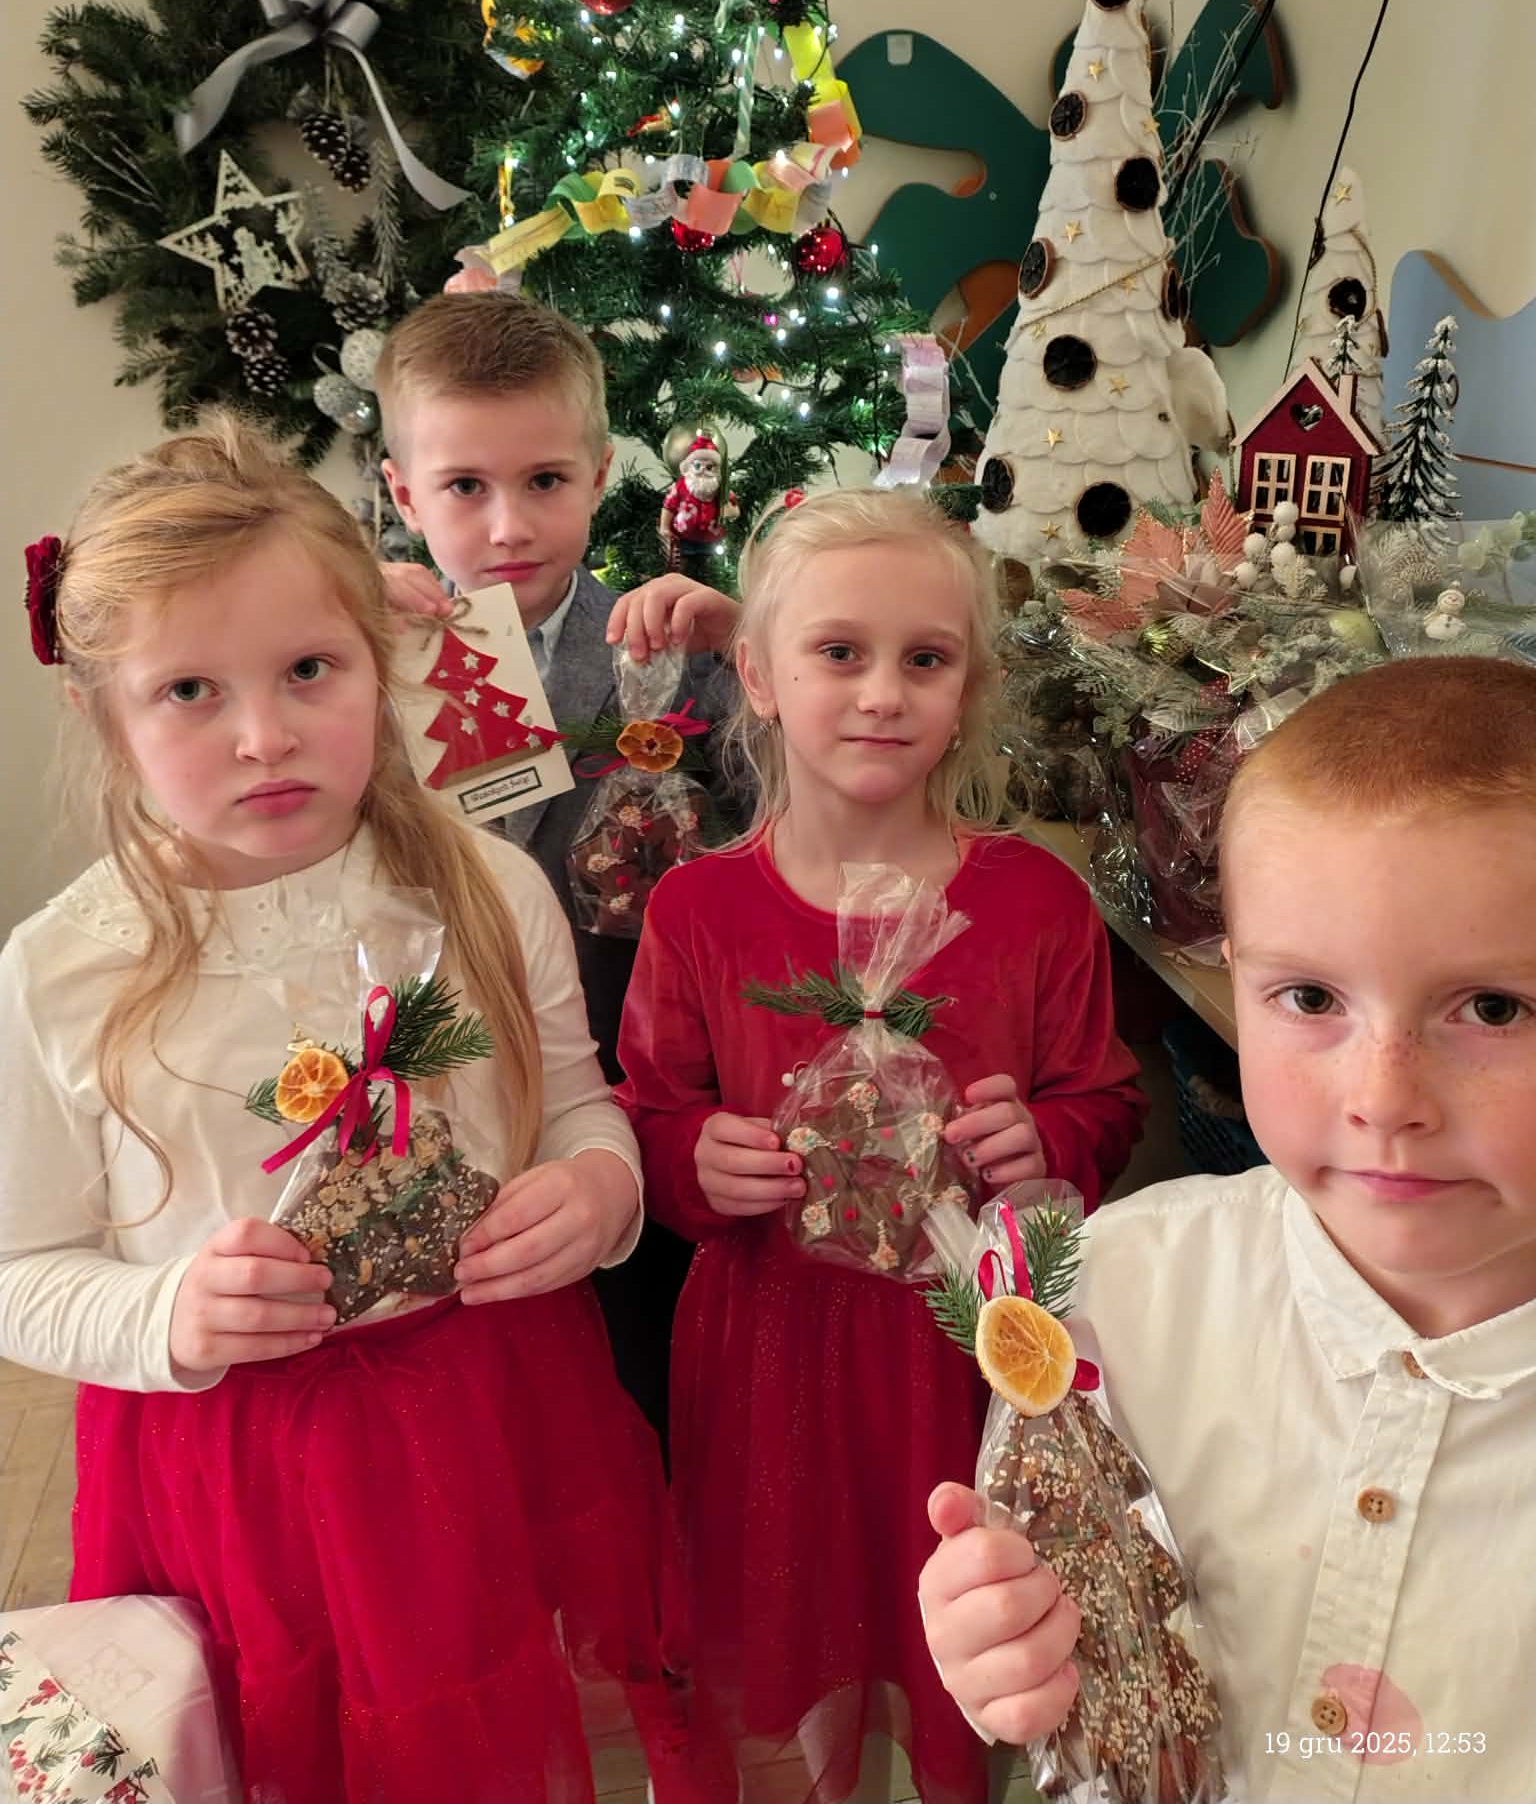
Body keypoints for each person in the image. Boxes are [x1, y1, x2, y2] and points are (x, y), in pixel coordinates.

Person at [0, 419, 698, 1804]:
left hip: (487, 1408)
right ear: (104, 713)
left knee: (487, 1719)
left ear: (379, 667)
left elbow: (578, 1106)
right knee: (286, 1741)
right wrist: (164, 1313)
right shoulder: (61, 972)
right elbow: (19, 1270)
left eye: (309, 670)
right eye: (188, 690)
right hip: (240, 1466)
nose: (264, 735)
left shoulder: (488, 888)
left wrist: (601, 1189)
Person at [918, 654, 1536, 1803]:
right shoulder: (1121, 1292)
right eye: (1311, 998)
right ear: (1237, 979)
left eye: (1493, 1006)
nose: (1384, 1096)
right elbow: (1076, 1627)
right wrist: (1004, 1644)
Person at [617, 487, 1146, 1804]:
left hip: (967, 1353)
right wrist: (695, 1162)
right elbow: (647, 1111)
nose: (881, 693)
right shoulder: (698, 909)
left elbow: (1104, 1099)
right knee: (787, 1622)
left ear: (969, 690)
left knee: (963, 1619)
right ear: (759, 674)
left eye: (926, 658)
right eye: (839, 652)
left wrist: (1046, 1141)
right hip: (769, 1347)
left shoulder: (1036, 902)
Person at [373, 292, 730, 1449]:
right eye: (464, 487)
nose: (508, 524)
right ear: (403, 495)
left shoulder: (659, 644)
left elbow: (773, 789)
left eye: (544, 480)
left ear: (600, 472)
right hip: (437, 1065)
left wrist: (746, 642)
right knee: (473, 1374)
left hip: (627, 1054)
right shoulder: (358, 654)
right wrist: (332, 636)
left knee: (634, 1359)